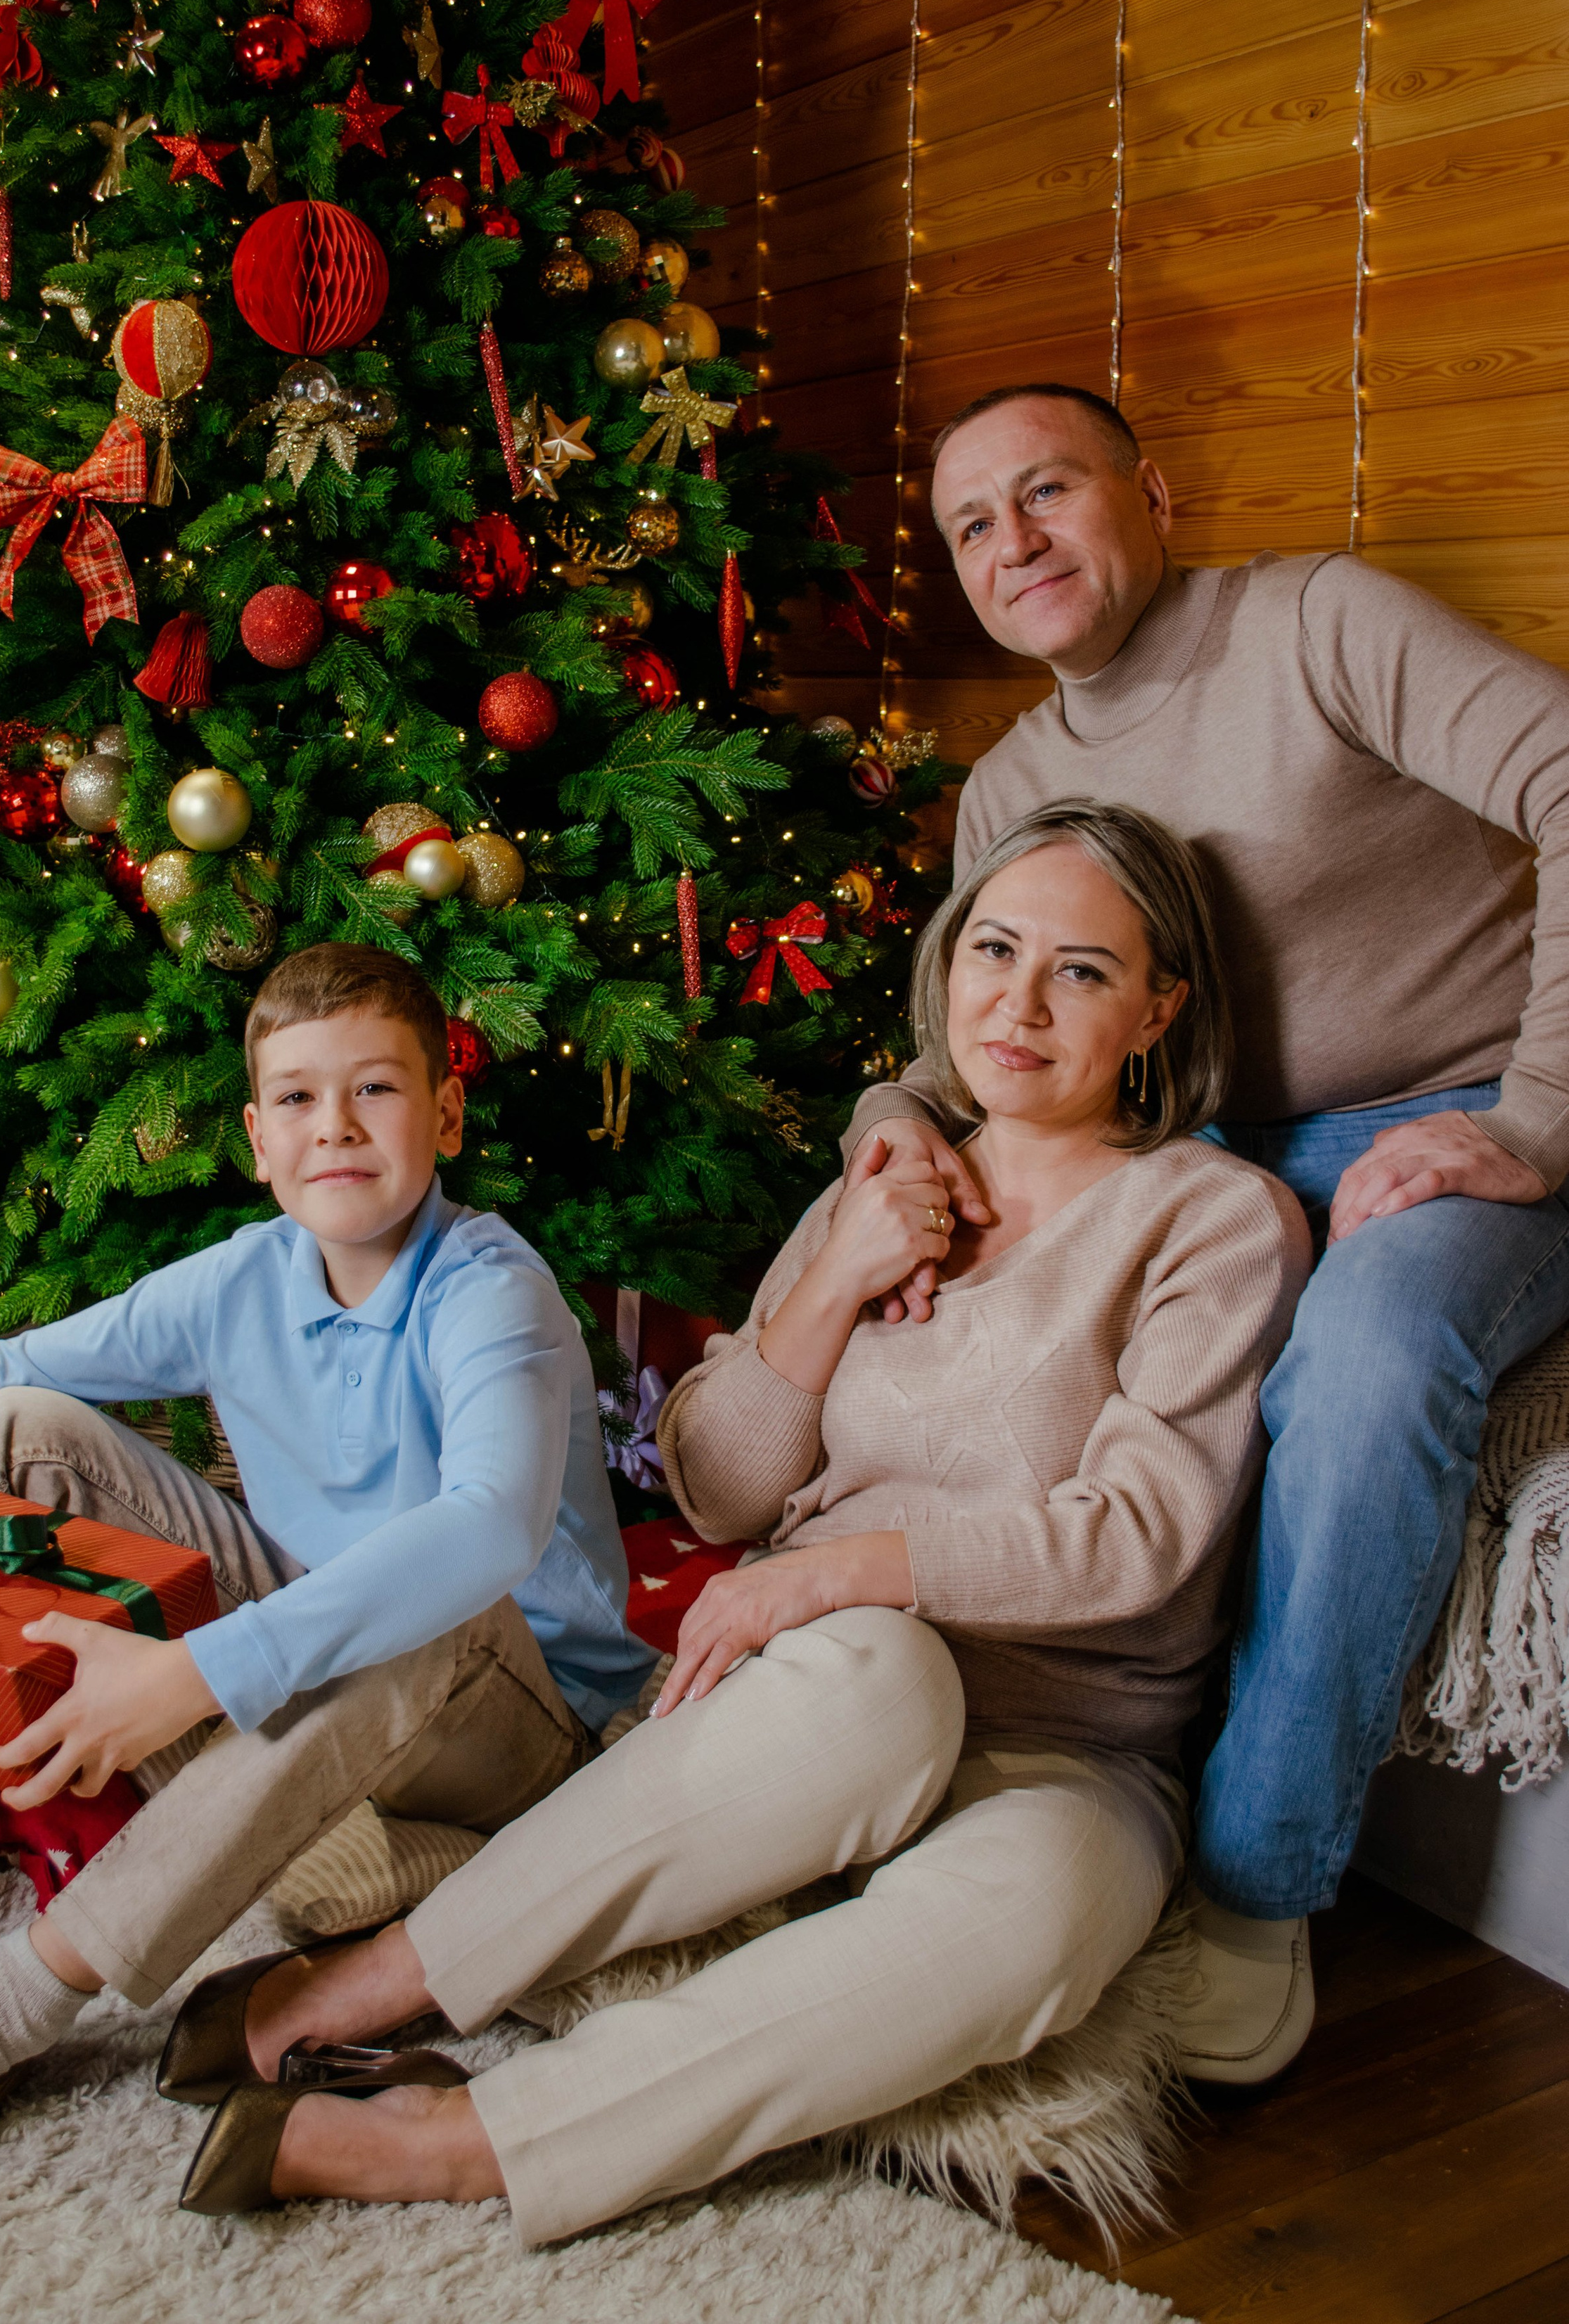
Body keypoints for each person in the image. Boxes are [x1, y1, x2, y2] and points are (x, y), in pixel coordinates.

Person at [158, 803, 1309, 2242]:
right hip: (819, 1712)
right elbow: (710, 1486)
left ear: (1158, 1009)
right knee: (885, 1675)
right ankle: (368, 1985)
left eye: (1080, 972)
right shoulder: (882, 1181)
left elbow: (1138, 1537)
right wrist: (838, 1276)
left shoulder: (1212, 1223)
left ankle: (464, 2139)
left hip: (1071, 1747)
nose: (1017, 1004)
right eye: (993, 950)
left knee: (1050, 1916)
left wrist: (832, 1572)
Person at [843, 383, 1569, 2082]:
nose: (1012, 542)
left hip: (1450, 1127)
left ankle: (1256, 1891)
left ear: (1151, 493)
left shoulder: (1317, 626)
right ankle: (987, 1775)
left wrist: (1533, 1119)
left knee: (1371, 1356)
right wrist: (894, 1123)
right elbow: (975, 1037)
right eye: (970, 525)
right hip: (1188, 1159)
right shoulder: (1011, 783)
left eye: (1046, 491)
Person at [0, 942, 655, 2219]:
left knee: (431, 1601)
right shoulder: (246, 1278)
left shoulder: (491, 1291)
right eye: (297, 1097)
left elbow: (488, 1533)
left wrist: (193, 1672)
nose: (335, 1127)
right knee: (17, 1428)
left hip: (519, 1722)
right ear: (256, 1138)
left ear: (448, 1113)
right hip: (322, 1659)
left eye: (376, 1090)